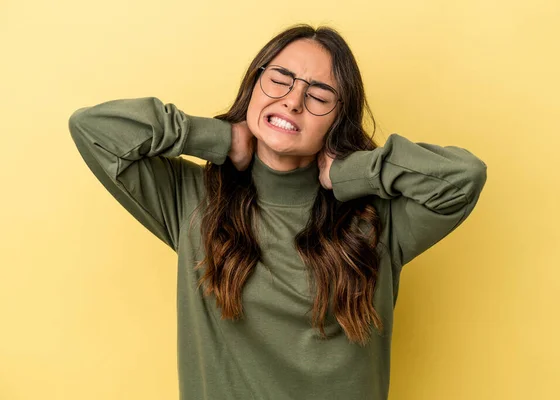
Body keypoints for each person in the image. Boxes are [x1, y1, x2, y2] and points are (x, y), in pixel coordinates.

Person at [68, 23, 487, 400]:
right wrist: (218, 138)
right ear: (254, 85)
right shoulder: (191, 197)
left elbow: (463, 177)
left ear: (339, 119)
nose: (293, 101)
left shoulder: (377, 219)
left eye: (320, 95)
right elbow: (93, 129)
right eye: (280, 80)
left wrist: (348, 172)